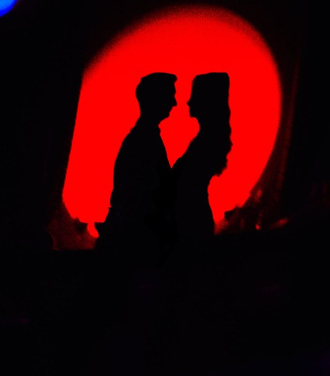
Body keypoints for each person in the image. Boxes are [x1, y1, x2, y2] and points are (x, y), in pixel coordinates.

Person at [98, 72, 178, 263]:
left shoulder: (141, 138)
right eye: (170, 96)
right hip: (139, 239)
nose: (174, 103)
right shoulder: (145, 141)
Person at [169, 71, 233, 250]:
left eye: (194, 96)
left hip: (190, 223)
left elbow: (184, 183)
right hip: (192, 220)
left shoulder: (206, 143)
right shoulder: (207, 140)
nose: (189, 102)